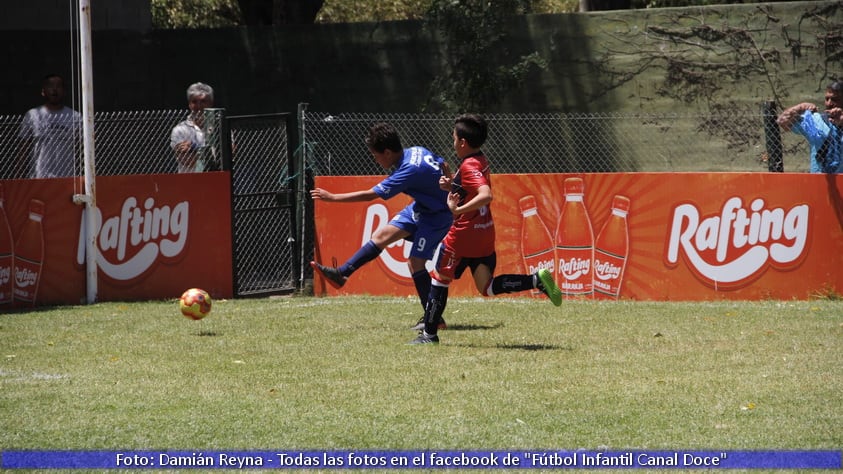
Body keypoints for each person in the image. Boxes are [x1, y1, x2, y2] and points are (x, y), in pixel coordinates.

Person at [410, 114, 562, 345]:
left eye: (454, 138)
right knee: (487, 287)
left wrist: (458, 211)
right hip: (484, 233)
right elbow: (473, 188)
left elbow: (485, 195)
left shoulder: (470, 165)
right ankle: (536, 280)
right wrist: (451, 184)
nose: (452, 142)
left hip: (463, 235)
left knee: (439, 279)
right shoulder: (479, 159)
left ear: (462, 142)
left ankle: (429, 335)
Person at [310, 122, 453, 310]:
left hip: (437, 215)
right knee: (380, 237)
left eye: (375, 155)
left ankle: (433, 319)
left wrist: (333, 197)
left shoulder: (407, 171)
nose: (375, 159)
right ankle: (342, 273)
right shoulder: (416, 150)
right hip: (422, 207)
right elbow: (444, 164)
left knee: (415, 263)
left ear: (387, 152)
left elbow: (370, 195)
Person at [16, 74, 82, 178]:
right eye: (50, 86)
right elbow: (24, 146)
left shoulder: (75, 116)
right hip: (39, 176)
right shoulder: (32, 115)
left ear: (64, 91)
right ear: (43, 91)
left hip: (67, 177)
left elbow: (81, 148)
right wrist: (19, 174)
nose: (54, 89)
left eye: (58, 86)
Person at [777, 80, 843, 174]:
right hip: (818, 179)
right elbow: (782, 121)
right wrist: (800, 107)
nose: (829, 103)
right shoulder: (816, 120)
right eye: (827, 99)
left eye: (834, 99)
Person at [170, 82, 216, 173]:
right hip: (190, 182)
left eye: (203, 101)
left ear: (210, 104)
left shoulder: (219, 126)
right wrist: (213, 151)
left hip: (218, 180)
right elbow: (187, 161)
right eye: (194, 102)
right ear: (189, 105)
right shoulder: (180, 130)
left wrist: (193, 148)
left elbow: (229, 156)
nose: (199, 106)